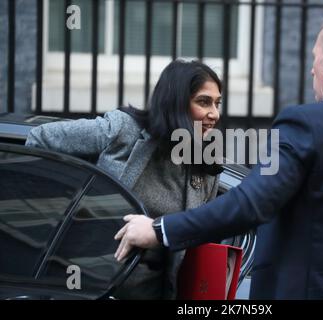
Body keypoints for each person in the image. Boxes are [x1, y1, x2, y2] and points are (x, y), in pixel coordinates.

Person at [114, 11, 323, 299]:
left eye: (315, 58)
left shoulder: (305, 123)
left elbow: (251, 203)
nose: (311, 71)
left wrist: (160, 230)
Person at [26, 59, 223, 299]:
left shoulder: (205, 165)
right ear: (176, 104)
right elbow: (40, 139)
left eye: (217, 103)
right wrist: (58, 218)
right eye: (204, 102)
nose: (214, 113)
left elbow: (204, 237)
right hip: (89, 288)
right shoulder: (123, 130)